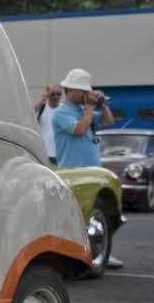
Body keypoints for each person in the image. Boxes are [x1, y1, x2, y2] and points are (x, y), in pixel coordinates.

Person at [52, 67, 122, 269]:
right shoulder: (61, 113)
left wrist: (102, 104)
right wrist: (90, 107)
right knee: (77, 219)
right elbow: (79, 130)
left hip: (93, 171)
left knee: (99, 214)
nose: (85, 95)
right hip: (74, 172)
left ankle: (102, 252)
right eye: (81, 91)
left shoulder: (83, 111)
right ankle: (78, 256)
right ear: (70, 90)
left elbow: (108, 120)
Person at [34, 83, 62, 163]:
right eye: (52, 94)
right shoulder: (42, 108)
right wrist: (41, 101)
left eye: (58, 94)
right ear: (48, 94)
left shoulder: (64, 109)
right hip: (45, 153)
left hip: (61, 153)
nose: (56, 97)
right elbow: (28, 115)